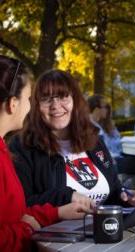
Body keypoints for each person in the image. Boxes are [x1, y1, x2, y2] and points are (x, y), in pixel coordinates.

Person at [0, 55, 95, 252]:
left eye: (63, 97)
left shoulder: (2, 149)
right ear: (13, 104)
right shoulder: (18, 147)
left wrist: (56, 213)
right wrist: (26, 228)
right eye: (30, 99)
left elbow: (15, 213)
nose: (30, 106)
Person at [9, 69, 135, 209]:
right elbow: (20, 204)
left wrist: (125, 196)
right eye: (46, 99)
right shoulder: (22, 146)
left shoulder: (94, 141)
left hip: (103, 227)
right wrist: (67, 197)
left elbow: (113, 187)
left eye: (63, 97)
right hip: (54, 230)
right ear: (36, 106)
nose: (55, 106)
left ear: (75, 101)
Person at [88, 97, 135, 197]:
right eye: (105, 107)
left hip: (117, 158)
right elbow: (99, 153)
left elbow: (115, 142)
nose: (108, 110)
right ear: (96, 109)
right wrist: (110, 160)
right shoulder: (92, 127)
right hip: (111, 163)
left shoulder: (100, 125)